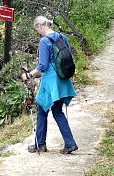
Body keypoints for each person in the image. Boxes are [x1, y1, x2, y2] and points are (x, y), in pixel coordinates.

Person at [20, 15, 78, 154]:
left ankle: (40, 145)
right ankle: (69, 143)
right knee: (57, 111)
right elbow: (69, 55)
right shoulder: (61, 37)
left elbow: (43, 65)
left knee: (41, 109)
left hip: (51, 81)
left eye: (37, 29)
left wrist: (29, 75)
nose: (38, 32)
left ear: (40, 26)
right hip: (63, 78)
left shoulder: (44, 41)